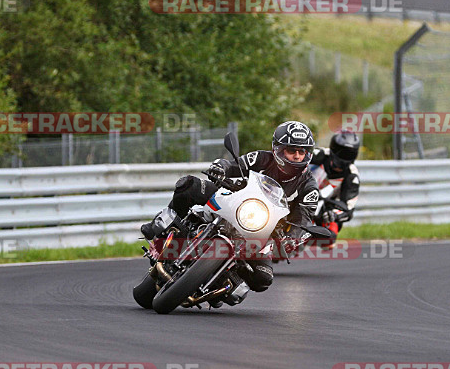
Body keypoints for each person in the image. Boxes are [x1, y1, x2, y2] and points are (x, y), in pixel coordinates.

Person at [140, 121, 320, 293]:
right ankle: (163, 225)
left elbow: (304, 217)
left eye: (302, 151)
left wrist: (292, 238)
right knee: (188, 185)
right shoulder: (262, 158)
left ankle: (223, 284)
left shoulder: (309, 186)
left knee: (262, 279)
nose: (297, 156)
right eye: (291, 150)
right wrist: (220, 167)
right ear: (278, 150)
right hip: (236, 201)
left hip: (265, 230)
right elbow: (234, 165)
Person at [308, 131, 361, 240]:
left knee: (330, 236)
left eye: (349, 154)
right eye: (341, 152)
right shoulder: (319, 154)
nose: (344, 157)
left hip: (324, 205)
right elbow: (294, 160)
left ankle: (308, 240)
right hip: (300, 191)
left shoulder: (352, 176)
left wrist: (334, 215)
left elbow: (348, 209)